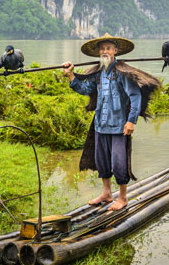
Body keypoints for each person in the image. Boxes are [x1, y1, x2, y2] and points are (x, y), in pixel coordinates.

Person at [62, 33, 159, 211]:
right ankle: (107, 194)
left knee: (118, 161)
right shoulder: (98, 73)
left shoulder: (121, 73)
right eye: (102, 48)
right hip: (101, 124)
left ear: (115, 51)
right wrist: (70, 76)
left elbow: (135, 96)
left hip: (119, 126)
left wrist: (131, 121)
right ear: (99, 52)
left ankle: (123, 198)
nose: (105, 51)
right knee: (102, 161)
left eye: (108, 48)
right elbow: (85, 89)